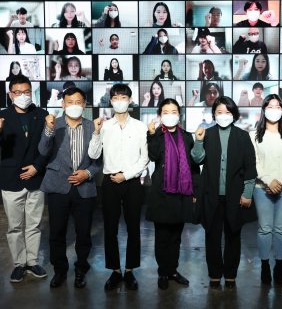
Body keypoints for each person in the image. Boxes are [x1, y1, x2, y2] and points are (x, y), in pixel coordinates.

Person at [38, 87, 103, 289]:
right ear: (63, 104)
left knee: (84, 233)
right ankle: (60, 270)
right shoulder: (53, 125)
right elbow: (42, 151)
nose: (74, 105)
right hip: (58, 186)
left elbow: (99, 160)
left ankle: (81, 269)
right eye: (70, 101)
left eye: (78, 102)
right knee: (57, 232)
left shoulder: (93, 127)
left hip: (85, 187)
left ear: (84, 105)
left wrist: (88, 173)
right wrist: (48, 130)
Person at [0, 75, 49, 283]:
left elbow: (47, 147)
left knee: (34, 224)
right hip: (11, 180)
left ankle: (32, 262)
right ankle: (19, 264)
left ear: (32, 92)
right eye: (18, 92)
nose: (23, 96)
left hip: (36, 178)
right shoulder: (0, 116)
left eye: (27, 91)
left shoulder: (42, 115)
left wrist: (36, 167)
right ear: (10, 94)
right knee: (14, 226)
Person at [191, 96, 257, 289]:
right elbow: (197, 159)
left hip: (235, 196)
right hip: (210, 195)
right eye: (219, 112)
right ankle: (214, 274)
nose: (223, 115)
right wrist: (198, 141)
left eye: (227, 112)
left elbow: (250, 167)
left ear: (234, 114)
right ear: (214, 115)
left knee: (233, 235)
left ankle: (230, 275)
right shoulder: (207, 134)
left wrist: (247, 193)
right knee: (211, 235)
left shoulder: (242, 136)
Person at [88, 83, 149, 291]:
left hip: (131, 182)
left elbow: (145, 159)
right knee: (110, 228)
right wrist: (95, 133)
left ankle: (130, 270)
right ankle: (114, 271)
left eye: (124, 97)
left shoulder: (140, 127)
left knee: (133, 227)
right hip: (110, 182)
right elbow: (94, 155)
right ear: (111, 101)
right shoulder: (103, 126)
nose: (120, 101)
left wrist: (127, 175)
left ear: (130, 100)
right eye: (116, 97)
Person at [146, 99, 200, 290]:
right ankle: (163, 272)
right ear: (160, 114)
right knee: (162, 236)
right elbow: (153, 156)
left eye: (174, 111)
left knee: (177, 236)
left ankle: (173, 270)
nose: (170, 114)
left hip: (182, 192)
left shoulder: (186, 136)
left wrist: (195, 190)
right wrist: (151, 135)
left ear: (179, 114)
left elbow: (194, 166)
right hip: (161, 192)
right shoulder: (156, 135)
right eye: (166, 111)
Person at [250, 94, 282, 286]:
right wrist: (268, 180)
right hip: (261, 189)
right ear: (264, 110)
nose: (274, 109)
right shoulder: (254, 135)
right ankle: (264, 266)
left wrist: (280, 181)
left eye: (277, 106)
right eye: (270, 106)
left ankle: (278, 267)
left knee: (280, 229)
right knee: (264, 229)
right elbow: (253, 162)